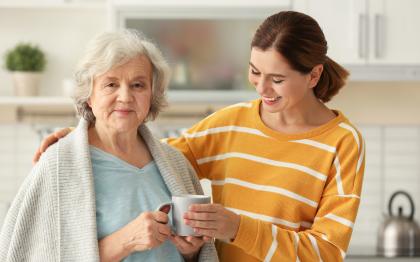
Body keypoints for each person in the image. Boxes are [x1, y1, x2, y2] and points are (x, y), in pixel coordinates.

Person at [31, 11, 365, 262]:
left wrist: (236, 228)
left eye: (276, 79)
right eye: (254, 71)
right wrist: (82, 141)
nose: (261, 88)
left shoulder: (342, 143)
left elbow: (327, 252)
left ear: (314, 75)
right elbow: (152, 158)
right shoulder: (230, 124)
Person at [0, 30, 218, 262]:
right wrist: (126, 240)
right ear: (89, 96)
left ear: (151, 95)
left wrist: (190, 251)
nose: (125, 96)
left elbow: (200, 254)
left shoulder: (176, 164)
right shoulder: (58, 166)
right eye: (111, 84)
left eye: (138, 85)